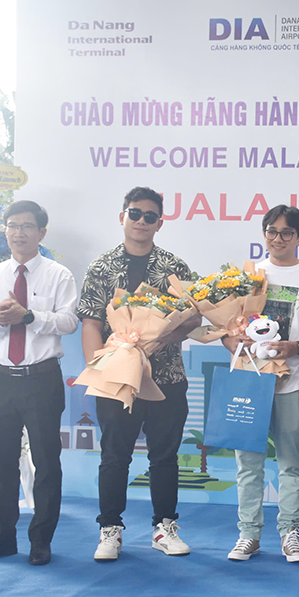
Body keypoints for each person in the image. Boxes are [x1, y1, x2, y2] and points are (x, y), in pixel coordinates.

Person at [78, 186, 199, 561]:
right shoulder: (102, 267)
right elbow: (90, 322)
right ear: (122, 217)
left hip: (167, 377)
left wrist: (167, 338)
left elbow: (194, 316)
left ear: (160, 223)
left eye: (150, 216)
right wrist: (98, 367)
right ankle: (109, 530)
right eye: (135, 213)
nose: (141, 221)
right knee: (115, 456)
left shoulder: (174, 267)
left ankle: (165, 527)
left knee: (165, 456)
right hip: (116, 379)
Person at [0, 200, 79, 566]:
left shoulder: (58, 274)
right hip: (0, 379)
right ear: (4, 230)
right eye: (12, 225)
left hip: (41, 378)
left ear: (41, 233)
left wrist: (28, 316)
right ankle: (1, 537)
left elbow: (68, 322)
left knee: (46, 462)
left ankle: (41, 540)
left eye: (28, 226)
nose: (19, 232)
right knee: (0, 462)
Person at [226, 204, 299, 563]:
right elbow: (229, 329)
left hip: (294, 381)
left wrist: (296, 346)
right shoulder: (248, 275)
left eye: (287, 233)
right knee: (248, 463)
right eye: (271, 231)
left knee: (291, 461)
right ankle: (248, 534)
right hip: (249, 381)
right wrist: (234, 341)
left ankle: (290, 533)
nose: (278, 239)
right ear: (264, 233)